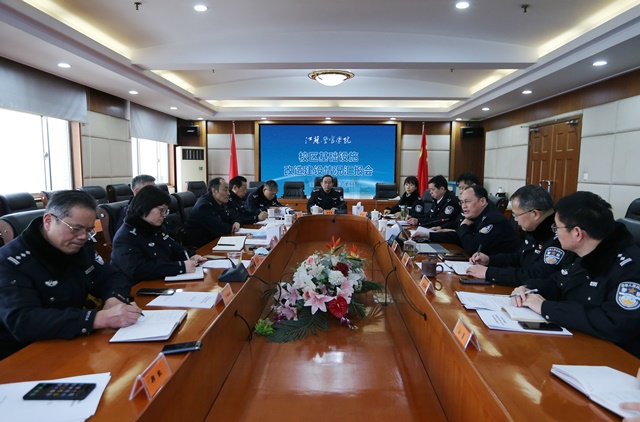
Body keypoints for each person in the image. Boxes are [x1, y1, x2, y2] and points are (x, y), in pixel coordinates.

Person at [0, 190, 141, 360]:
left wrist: (114, 299)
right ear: (48, 221)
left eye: (89, 230)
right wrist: (96, 319)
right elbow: (23, 321)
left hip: (71, 341)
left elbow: (112, 276)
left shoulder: (80, 247)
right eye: (76, 229)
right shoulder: (9, 262)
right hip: (22, 355)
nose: (82, 237)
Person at [511, 191, 640, 358]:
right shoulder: (583, 252)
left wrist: (546, 308)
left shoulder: (629, 268)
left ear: (577, 233)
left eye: (556, 227)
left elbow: (615, 324)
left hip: (615, 357)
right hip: (577, 341)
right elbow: (558, 282)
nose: (555, 233)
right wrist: (529, 288)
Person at [466, 185, 568, 285]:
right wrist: (489, 260)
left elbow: (536, 275)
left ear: (535, 214)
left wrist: (489, 273)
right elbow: (520, 258)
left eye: (516, 215)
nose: (515, 219)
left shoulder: (559, 237)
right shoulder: (536, 229)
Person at [110, 185, 203, 283]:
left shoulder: (155, 227)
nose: (164, 215)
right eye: (161, 210)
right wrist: (180, 267)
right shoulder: (126, 236)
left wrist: (191, 256)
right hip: (136, 287)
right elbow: (138, 270)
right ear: (145, 206)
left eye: (166, 211)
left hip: (160, 281)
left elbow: (172, 247)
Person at [413, 185, 521, 256]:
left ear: (482, 201)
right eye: (462, 202)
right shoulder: (478, 214)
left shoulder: (493, 220)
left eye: (467, 201)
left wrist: (463, 226)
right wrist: (428, 235)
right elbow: (459, 236)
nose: (463, 206)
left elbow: (472, 248)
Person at [181, 178, 241, 248]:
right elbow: (221, 229)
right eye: (225, 190)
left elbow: (233, 216)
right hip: (200, 246)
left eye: (228, 190)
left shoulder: (219, 201)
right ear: (214, 191)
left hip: (213, 240)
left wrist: (236, 222)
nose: (228, 193)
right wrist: (232, 226)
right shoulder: (204, 206)